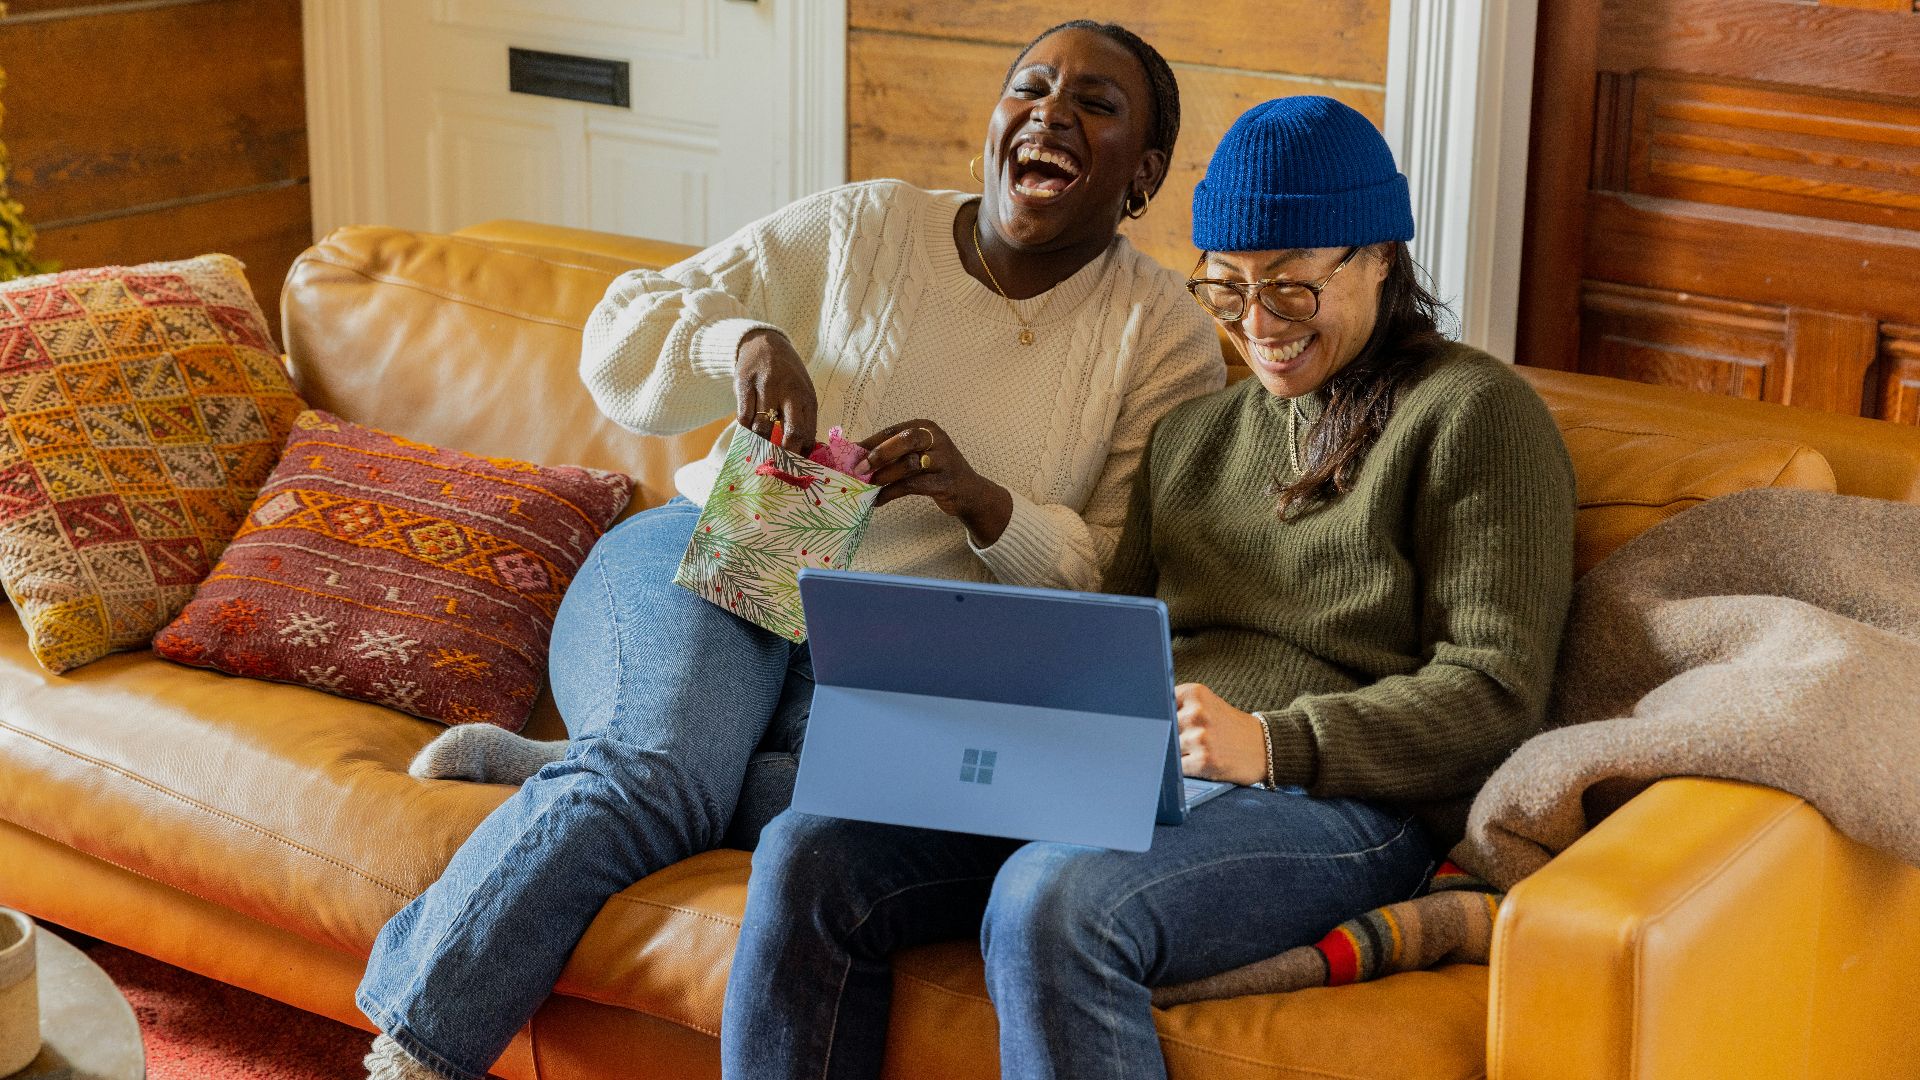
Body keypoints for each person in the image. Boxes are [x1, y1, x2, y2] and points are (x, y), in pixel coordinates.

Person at [356, 20, 1224, 1080]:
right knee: (661, 774)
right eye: (1031, 89)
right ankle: (416, 1042)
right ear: (993, 127)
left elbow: (1116, 577)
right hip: (719, 555)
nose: (1051, 112)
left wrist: (987, 505)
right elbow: (621, 331)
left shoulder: (1165, 335)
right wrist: (743, 341)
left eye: (1095, 104)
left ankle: (594, 768)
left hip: (895, 656)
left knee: (894, 800)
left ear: (1141, 174)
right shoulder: (868, 227)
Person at [721, 95, 1578, 1080]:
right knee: (811, 850)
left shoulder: (1474, 416)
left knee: (1054, 900)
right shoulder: (1194, 437)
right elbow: (1108, 640)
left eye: (1291, 289)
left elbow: (1497, 694)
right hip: (1143, 777)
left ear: (1381, 256)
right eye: (1229, 289)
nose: (1259, 326)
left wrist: (1275, 743)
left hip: (1337, 799)